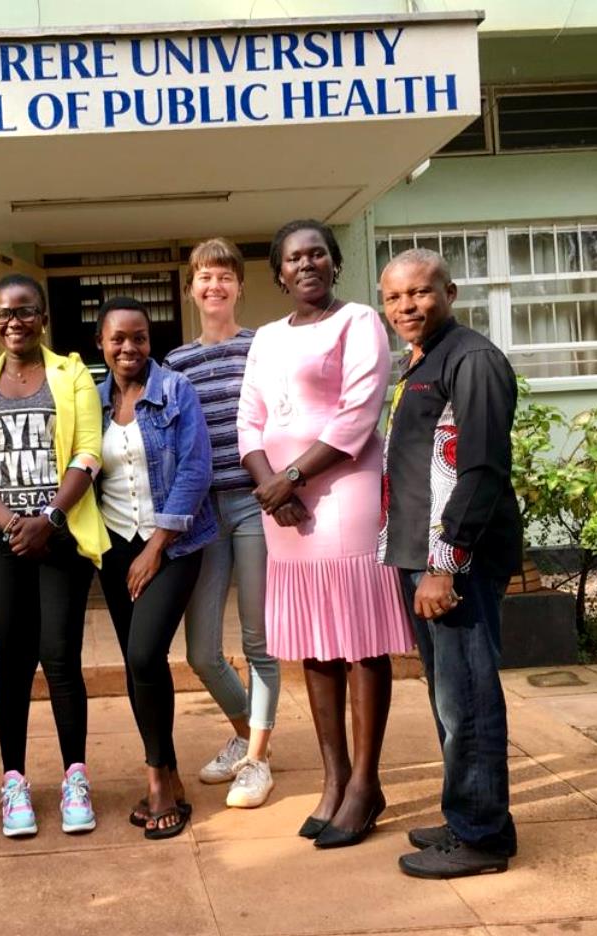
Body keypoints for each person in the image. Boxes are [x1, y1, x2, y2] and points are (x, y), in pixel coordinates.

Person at [237, 220, 413, 850]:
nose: (306, 264)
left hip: (344, 494)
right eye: (292, 257)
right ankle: (333, 781)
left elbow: (360, 411)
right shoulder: (264, 337)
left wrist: (291, 479)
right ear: (278, 273)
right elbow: (249, 418)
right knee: (314, 640)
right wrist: (270, 488)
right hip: (283, 509)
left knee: (360, 639)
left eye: (317, 254)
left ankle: (366, 784)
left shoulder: (359, 320)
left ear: (335, 264)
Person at [377, 247, 521, 879]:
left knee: (469, 697)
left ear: (451, 292)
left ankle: (483, 836)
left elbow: (480, 468)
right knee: (447, 696)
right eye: (394, 297)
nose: (407, 306)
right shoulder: (420, 363)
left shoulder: (474, 360)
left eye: (420, 292)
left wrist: (445, 565)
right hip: (422, 555)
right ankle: (467, 813)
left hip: (454, 561)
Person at [0, 273, 109, 838]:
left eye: (23, 312)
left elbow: (89, 454)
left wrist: (51, 520)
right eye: (2, 314)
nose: (12, 322)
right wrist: (10, 522)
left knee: (61, 659)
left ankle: (75, 778)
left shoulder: (72, 376)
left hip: (59, 540)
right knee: (14, 662)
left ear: (42, 317)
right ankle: (14, 779)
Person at [164, 238, 281, 809]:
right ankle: (244, 733)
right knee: (202, 652)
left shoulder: (262, 347)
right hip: (204, 515)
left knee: (258, 641)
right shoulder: (176, 364)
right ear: (192, 288)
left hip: (257, 505)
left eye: (224, 277)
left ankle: (257, 761)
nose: (214, 286)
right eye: (204, 278)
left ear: (239, 286)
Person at [94, 296, 216, 839]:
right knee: (138, 664)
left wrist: (157, 545)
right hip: (115, 545)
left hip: (174, 546)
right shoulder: (91, 402)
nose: (129, 347)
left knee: (145, 653)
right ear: (101, 343)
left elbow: (196, 468)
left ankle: (158, 780)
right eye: (118, 338)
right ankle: (166, 769)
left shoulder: (176, 391)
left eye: (139, 337)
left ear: (150, 341)